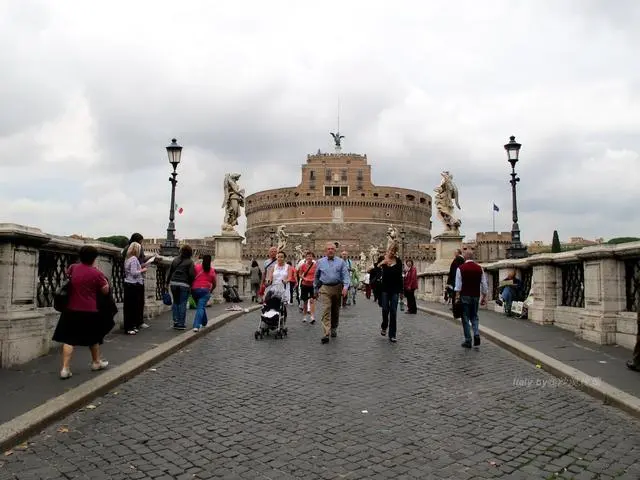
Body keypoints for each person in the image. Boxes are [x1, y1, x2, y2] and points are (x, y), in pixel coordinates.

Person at [52, 246, 112, 379]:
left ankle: (65, 368)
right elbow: (105, 291)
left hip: (71, 308)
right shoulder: (97, 273)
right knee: (94, 337)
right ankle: (96, 362)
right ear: (94, 258)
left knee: (69, 339)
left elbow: (69, 278)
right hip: (90, 310)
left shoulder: (73, 267)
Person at [313, 242, 350, 344]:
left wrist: (346, 287)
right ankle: (326, 333)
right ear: (325, 251)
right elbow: (316, 277)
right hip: (325, 288)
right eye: (328, 249)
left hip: (337, 287)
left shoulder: (341, 262)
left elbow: (345, 275)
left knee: (335, 310)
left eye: (332, 249)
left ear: (335, 250)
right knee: (326, 309)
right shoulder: (320, 262)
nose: (330, 250)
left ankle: (334, 327)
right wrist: (315, 289)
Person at [454, 249, 488, 348]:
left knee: (465, 318)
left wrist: (457, 297)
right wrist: (484, 296)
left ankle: (468, 340)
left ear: (465, 257)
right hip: (476, 295)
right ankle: (476, 334)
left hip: (465, 295)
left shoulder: (461, 268)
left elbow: (458, 286)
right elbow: (484, 284)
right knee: (474, 316)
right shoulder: (479, 268)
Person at [166, 245, 196, 330]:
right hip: (184, 284)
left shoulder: (175, 260)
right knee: (182, 303)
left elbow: (170, 272)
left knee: (175, 302)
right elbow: (191, 275)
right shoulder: (190, 262)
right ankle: (181, 323)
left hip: (174, 283)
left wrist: (167, 283)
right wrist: (191, 284)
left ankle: (175, 322)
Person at [378, 250, 404, 343]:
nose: (392, 252)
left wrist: (401, 291)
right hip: (385, 289)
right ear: (388, 251)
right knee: (385, 309)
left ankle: (392, 335)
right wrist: (382, 263)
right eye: (391, 250)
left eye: (394, 251)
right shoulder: (384, 260)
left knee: (393, 311)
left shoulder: (398, 261)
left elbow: (399, 276)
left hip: (395, 289)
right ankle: (384, 326)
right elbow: (376, 268)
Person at [123, 242, 147, 335]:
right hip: (132, 284)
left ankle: (131, 326)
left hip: (129, 284)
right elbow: (133, 273)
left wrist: (140, 267)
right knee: (131, 308)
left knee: (131, 307)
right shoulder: (133, 259)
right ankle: (129, 327)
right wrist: (142, 270)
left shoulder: (128, 258)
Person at [191, 254, 217, 332]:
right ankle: (196, 326)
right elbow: (214, 283)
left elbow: (191, 276)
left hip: (195, 290)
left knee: (200, 307)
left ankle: (204, 322)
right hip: (205, 291)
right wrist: (211, 290)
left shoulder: (196, 267)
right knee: (201, 307)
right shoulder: (212, 270)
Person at [297, 251, 317, 324]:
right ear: (306, 257)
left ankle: (312, 316)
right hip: (304, 284)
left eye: (311, 256)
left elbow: (317, 274)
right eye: (308, 256)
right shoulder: (303, 265)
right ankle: (305, 316)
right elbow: (299, 274)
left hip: (312, 285)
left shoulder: (315, 265)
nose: (309, 257)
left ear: (313, 257)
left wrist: (314, 279)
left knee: (312, 301)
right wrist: (304, 278)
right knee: (305, 302)